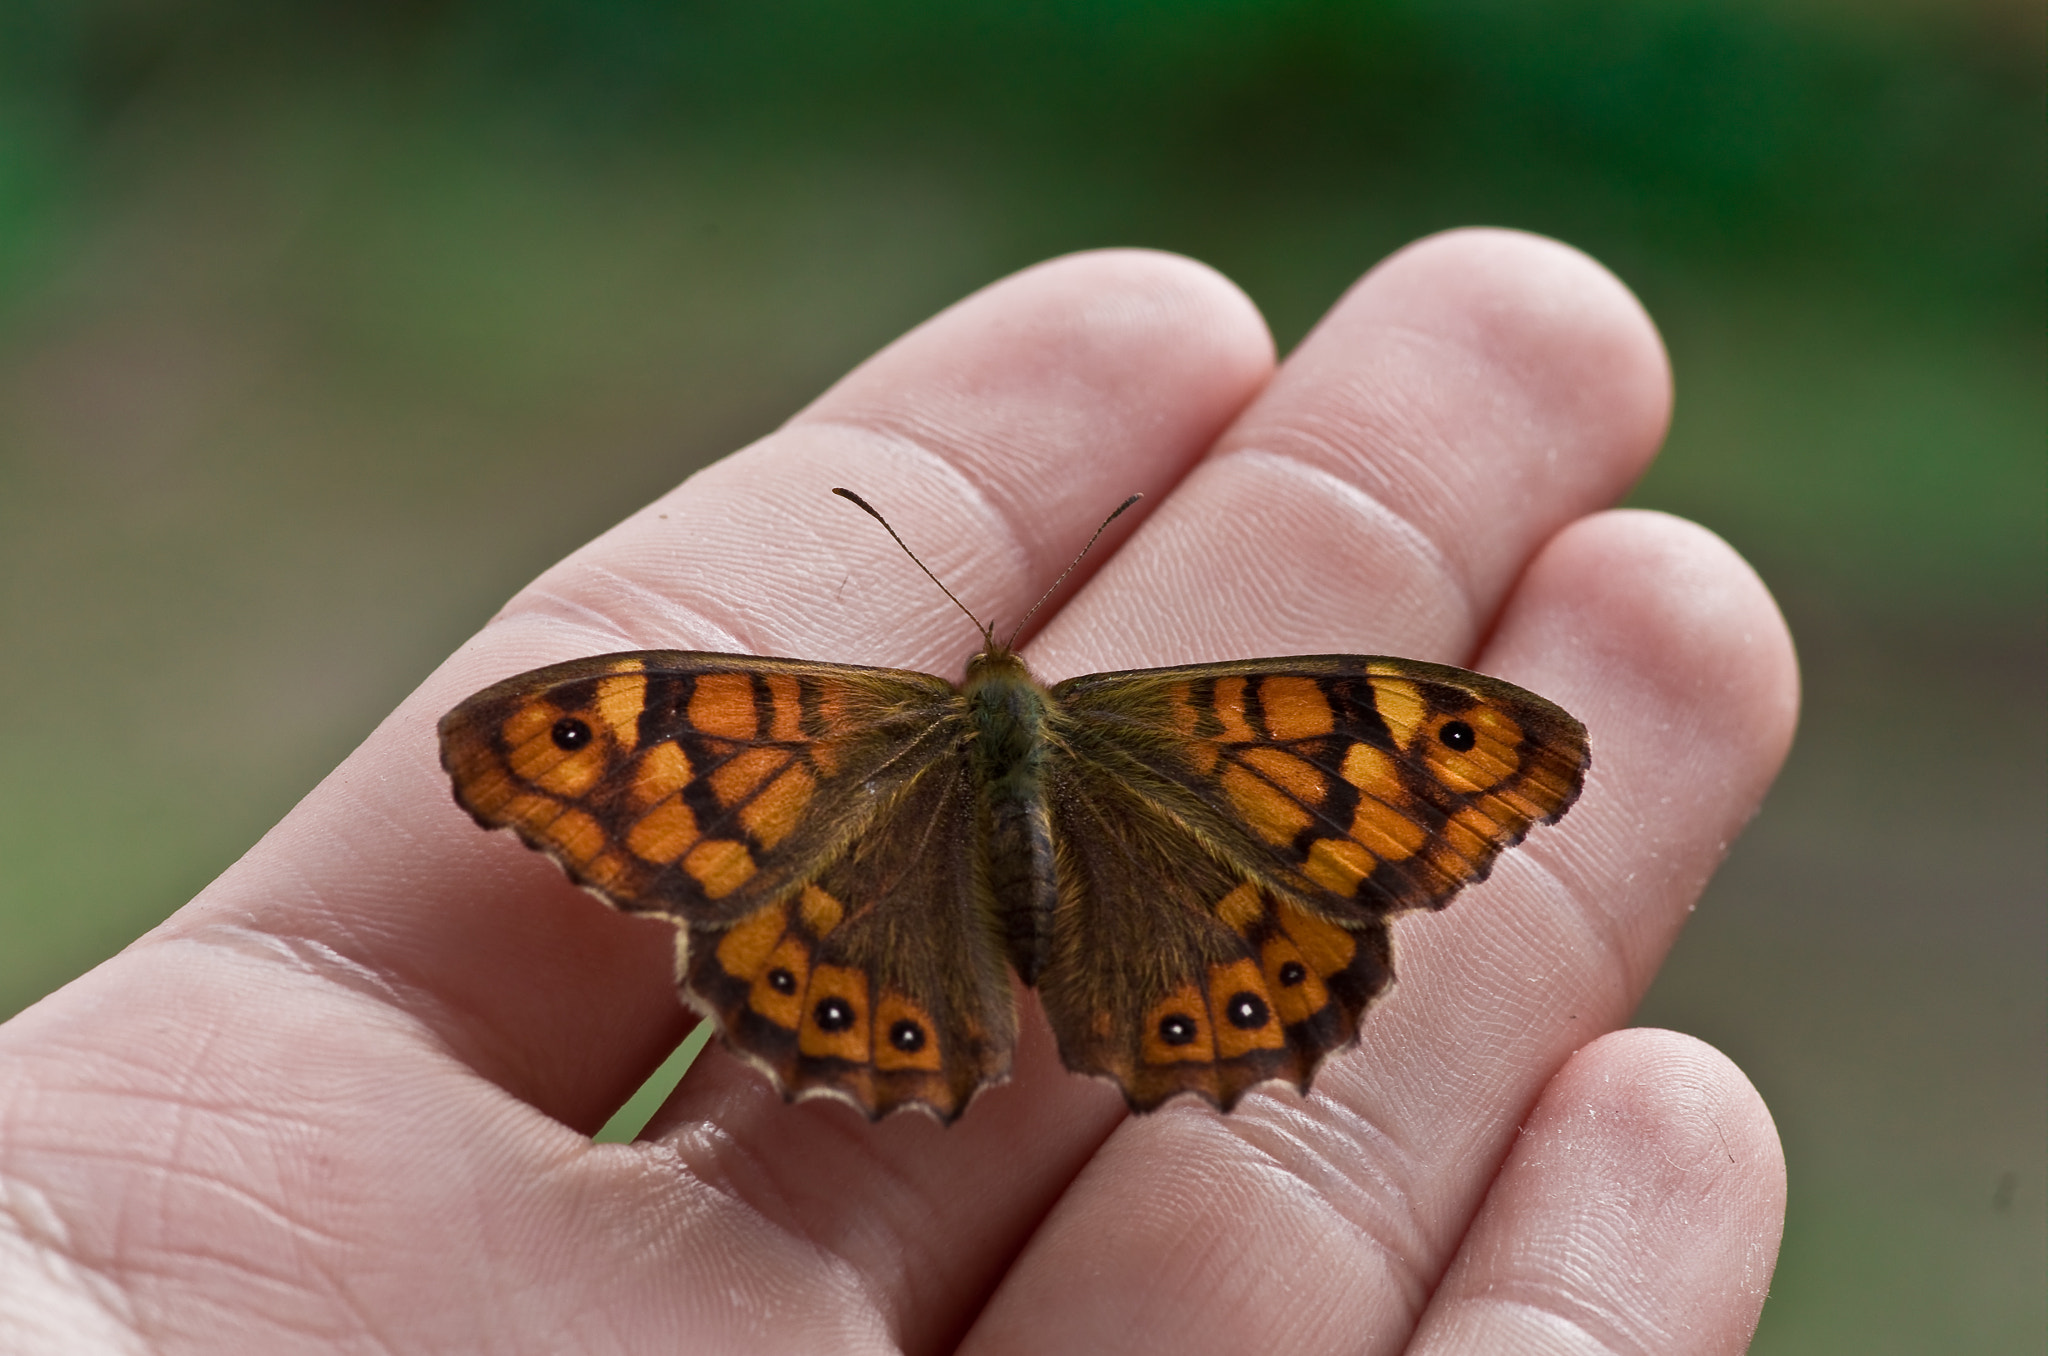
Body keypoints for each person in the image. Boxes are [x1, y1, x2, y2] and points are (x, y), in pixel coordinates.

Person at [0, 230, 1797, 1354]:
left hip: (890, 880)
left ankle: (927, 1015)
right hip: (1176, 881)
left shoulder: (808, 724)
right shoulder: (1225, 718)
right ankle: (1094, 1010)